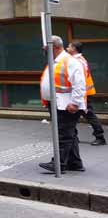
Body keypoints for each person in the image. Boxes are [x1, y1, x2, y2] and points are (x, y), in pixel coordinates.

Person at [39, 35, 87, 173]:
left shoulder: (69, 61)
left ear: (54, 47)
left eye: (46, 47)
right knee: (69, 134)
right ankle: (75, 163)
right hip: (58, 103)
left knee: (64, 134)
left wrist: (75, 103)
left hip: (67, 105)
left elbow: (79, 84)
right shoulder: (54, 61)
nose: (43, 49)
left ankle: (58, 164)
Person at [68, 41, 106, 146]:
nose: (67, 48)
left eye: (69, 46)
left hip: (82, 93)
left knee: (89, 115)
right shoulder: (79, 59)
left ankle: (100, 137)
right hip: (83, 93)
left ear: (74, 49)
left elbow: (79, 80)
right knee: (74, 116)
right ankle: (73, 137)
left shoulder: (77, 61)